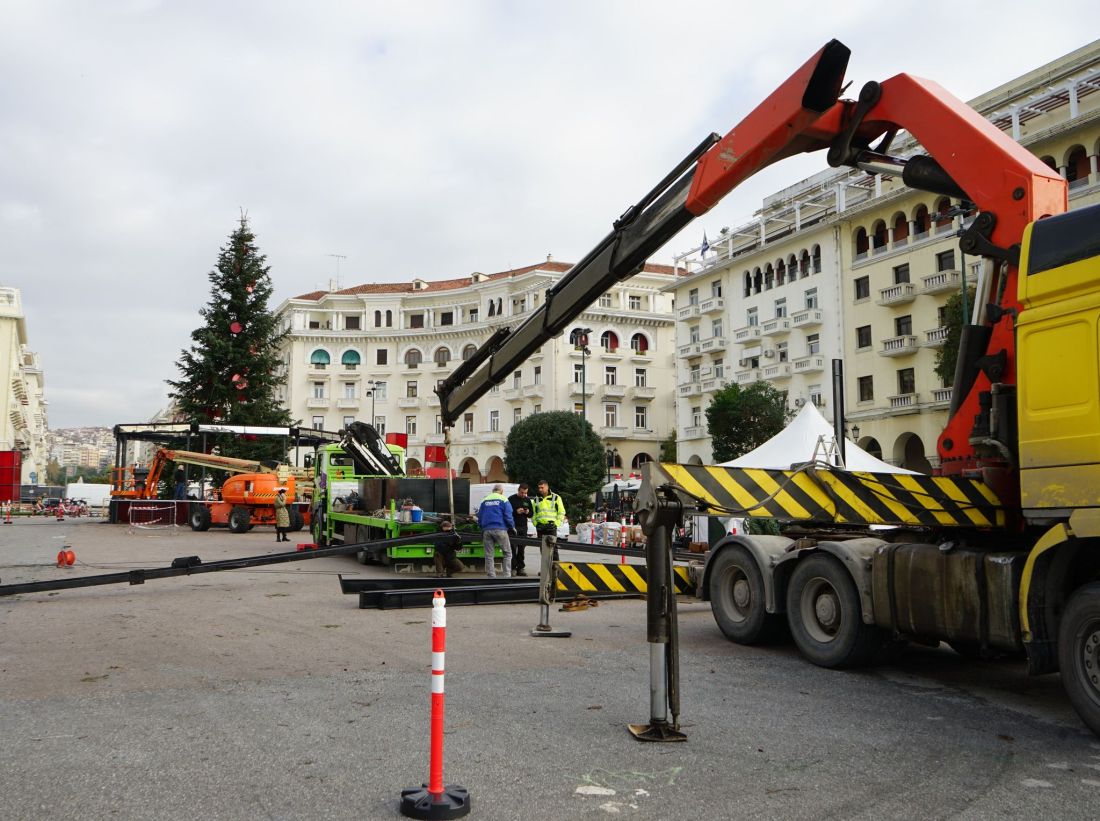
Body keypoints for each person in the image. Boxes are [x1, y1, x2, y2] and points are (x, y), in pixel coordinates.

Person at [477, 483, 514, 578]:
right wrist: (512, 527)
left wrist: (481, 527)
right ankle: (506, 576)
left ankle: (491, 576)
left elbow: (479, 516)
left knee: (489, 555)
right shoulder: (504, 499)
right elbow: (508, 515)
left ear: (493, 491)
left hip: (487, 530)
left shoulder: (484, 500)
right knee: (507, 553)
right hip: (500, 529)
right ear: (501, 491)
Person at [532, 479, 566, 562]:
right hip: (540, 528)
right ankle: (545, 571)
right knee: (543, 550)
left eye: (542, 487)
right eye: (539, 488)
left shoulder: (556, 498)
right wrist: (536, 523)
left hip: (551, 527)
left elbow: (561, 512)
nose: (540, 489)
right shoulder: (536, 499)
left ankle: (555, 570)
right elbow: (533, 514)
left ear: (547, 487)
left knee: (553, 549)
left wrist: (556, 524)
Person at [507, 483, 534, 576]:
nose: (523, 495)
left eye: (525, 493)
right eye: (522, 492)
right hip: (513, 527)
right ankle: (513, 568)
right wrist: (516, 512)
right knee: (513, 548)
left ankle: (521, 568)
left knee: (522, 548)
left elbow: (531, 514)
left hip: (523, 527)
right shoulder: (511, 499)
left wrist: (527, 512)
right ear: (518, 490)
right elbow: (507, 513)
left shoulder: (527, 500)